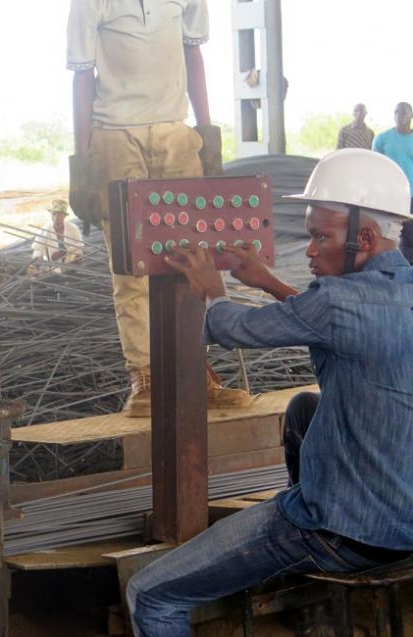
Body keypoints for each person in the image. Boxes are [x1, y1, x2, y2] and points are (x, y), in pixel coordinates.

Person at [125, 148, 413, 636]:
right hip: (404, 519)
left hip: (348, 532)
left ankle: (301, 532)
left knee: (151, 594)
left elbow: (233, 327)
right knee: (304, 409)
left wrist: (212, 290)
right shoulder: (392, 292)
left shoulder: (338, 302)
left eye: (320, 237)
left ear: (363, 238)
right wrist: (267, 282)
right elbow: (332, 320)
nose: (309, 249)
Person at [66, 0, 250, 417]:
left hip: (174, 133)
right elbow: (82, 75)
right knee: (131, 266)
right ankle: (145, 377)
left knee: (191, 257)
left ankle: (192, 370)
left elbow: (193, 52)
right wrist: (84, 161)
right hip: (114, 135)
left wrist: (205, 130)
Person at [373, 101, 413, 262]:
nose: (400, 115)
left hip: (411, 194)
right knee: (388, 229)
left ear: (411, 115)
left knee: (410, 232)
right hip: (389, 193)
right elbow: (375, 164)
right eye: (397, 112)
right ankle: (388, 265)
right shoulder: (382, 139)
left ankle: (407, 269)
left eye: (404, 112)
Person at [31, 199, 83, 267]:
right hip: (52, 266)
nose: (56, 217)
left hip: (71, 264)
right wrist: (36, 262)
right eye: (54, 214)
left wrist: (75, 255)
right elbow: (37, 249)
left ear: (64, 216)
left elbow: (80, 247)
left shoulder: (73, 228)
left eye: (59, 214)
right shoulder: (44, 230)